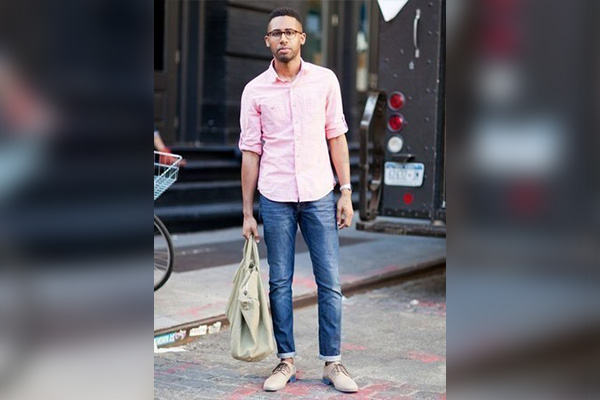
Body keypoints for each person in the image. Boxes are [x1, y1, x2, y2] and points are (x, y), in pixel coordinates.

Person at [239, 7, 358, 393]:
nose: (284, 39)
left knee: (330, 282)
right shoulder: (254, 90)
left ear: (303, 38)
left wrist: (346, 191)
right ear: (268, 42)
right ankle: (285, 361)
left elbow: (336, 137)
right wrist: (246, 213)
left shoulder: (325, 81)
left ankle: (332, 363)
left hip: (320, 192)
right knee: (279, 284)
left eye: (291, 32)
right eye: (277, 33)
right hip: (275, 197)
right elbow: (250, 153)